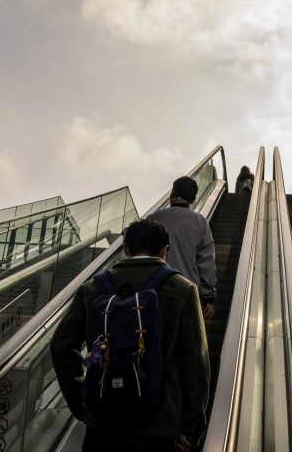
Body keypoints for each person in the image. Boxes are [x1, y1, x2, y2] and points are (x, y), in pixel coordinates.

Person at [51, 219, 210, 452]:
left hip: (103, 423)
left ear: (125, 248)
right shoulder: (182, 289)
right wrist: (191, 425)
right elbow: (195, 361)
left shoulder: (92, 288)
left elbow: (61, 347)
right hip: (159, 425)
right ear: (164, 251)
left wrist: (82, 403)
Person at [151, 176, 217, 320]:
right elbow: (206, 260)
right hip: (188, 293)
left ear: (172, 194)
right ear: (193, 200)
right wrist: (208, 296)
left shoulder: (152, 219)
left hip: (155, 290)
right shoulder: (201, 222)